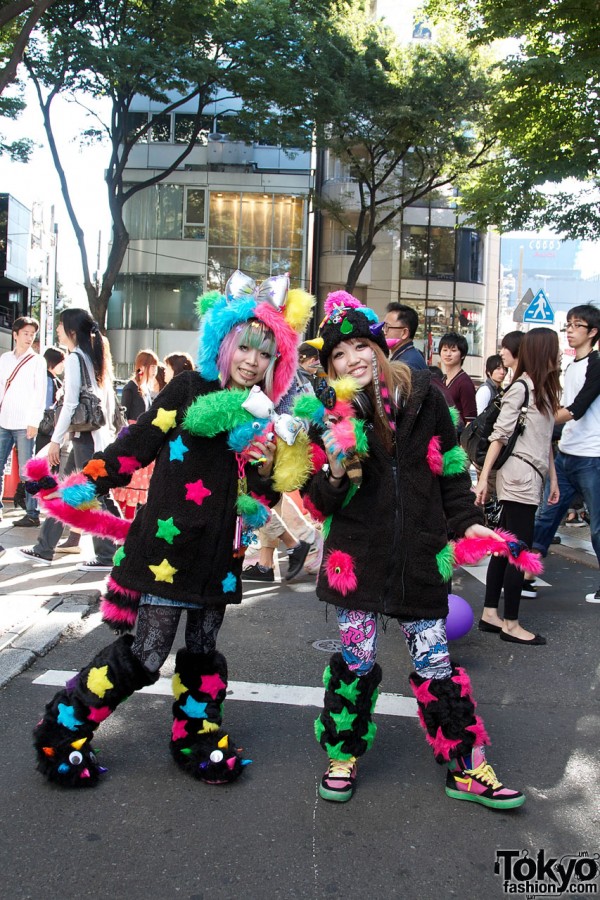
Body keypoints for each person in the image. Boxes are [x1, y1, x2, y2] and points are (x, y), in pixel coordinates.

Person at [29, 271, 315, 788]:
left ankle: (197, 737)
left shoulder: (264, 415)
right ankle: (63, 729)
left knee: (203, 650)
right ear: (224, 344)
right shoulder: (188, 389)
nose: (253, 361)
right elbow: (136, 444)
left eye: (265, 354)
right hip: (167, 545)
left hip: (218, 555)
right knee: (146, 653)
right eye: (245, 348)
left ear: (278, 362)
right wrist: (81, 486)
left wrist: (270, 466)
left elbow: (261, 496)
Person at [305, 290, 524, 810]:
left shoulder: (425, 395)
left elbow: (450, 467)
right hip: (356, 559)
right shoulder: (330, 412)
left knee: (436, 663)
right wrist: (336, 470)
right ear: (330, 363)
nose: (351, 359)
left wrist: (467, 522)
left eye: (359, 345)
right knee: (356, 663)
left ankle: (467, 767)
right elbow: (316, 498)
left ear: (379, 346)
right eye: (338, 353)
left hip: (422, 556)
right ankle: (342, 753)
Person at [474, 327, 561, 644]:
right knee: (517, 549)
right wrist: (483, 478)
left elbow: (545, 440)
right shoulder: (520, 388)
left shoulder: (544, 390)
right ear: (542, 353)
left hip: (533, 475)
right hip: (518, 478)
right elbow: (499, 436)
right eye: (555, 349)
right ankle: (510, 624)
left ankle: (489, 614)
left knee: (503, 548)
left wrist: (553, 477)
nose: (560, 354)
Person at [17, 309, 119, 570]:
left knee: (91, 494)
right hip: (90, 437)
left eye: (60, 326)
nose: (58, 330)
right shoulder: (93, 356)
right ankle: (45, 548)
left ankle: (111, 552)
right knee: (71, 491)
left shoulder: (76, 358)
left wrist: (55, 440)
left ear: (71, 330)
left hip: (85, 438)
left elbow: (71, 403)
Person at [530, 304, 600, 603]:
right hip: (566, 454)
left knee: (597, 526)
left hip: (593, 457)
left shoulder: (597, 365)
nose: (569, 331)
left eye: (576, 325)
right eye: (568, 325)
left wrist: (536, 417)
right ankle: (525, 574)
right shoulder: (572, 366)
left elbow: (578, 408)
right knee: (545, 518)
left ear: (593, 332)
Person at [0, 316, 47, 526]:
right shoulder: (4, 359)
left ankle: (32, 513)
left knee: (28, 472)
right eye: (26, 333)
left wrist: (34, 421)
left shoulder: (38, 360)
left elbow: (40, 393)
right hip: (3, 420)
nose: (29, 338)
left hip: (25, 423)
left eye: (32, 334)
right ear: (15, 334)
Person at [112, 350, 159, 520]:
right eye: (152, 366)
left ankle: (127, 525)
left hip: (142, 439)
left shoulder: (145, 388)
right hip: (133, 440)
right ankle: (124, 525)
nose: (155, 370)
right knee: (130, 486)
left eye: (156, 367)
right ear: (143, 367)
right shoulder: (131, 387)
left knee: (136, 488)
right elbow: (123, 415)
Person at [438, 331, 476, 427]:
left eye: (453, 350)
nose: (448, 354)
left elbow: (470, 420)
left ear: (462, 355)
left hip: (457, 438)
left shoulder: (464, 383)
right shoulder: (442, 380)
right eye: (445, 350)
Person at [35, 347, 66, 455]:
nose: (63, 365)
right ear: (53, 361)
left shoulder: (52, 379)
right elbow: (48, 406)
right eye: (61, 362)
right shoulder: (48, 380)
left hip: (47, 430)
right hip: (47, 430)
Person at [384, 302, 427, 369]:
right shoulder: (407, 354)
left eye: (387, 327)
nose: (384, 332)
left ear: (404, 333)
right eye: (383, 326)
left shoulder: (407, 364)